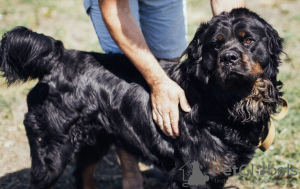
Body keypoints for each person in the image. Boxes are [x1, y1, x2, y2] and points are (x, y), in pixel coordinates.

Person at [83, 0, 245, 188]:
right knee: (122, 80)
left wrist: (234, 43)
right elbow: (115, 9)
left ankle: (171, 161)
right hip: (116, 5)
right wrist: (158, 82)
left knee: (170, 66)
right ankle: (132, 177)